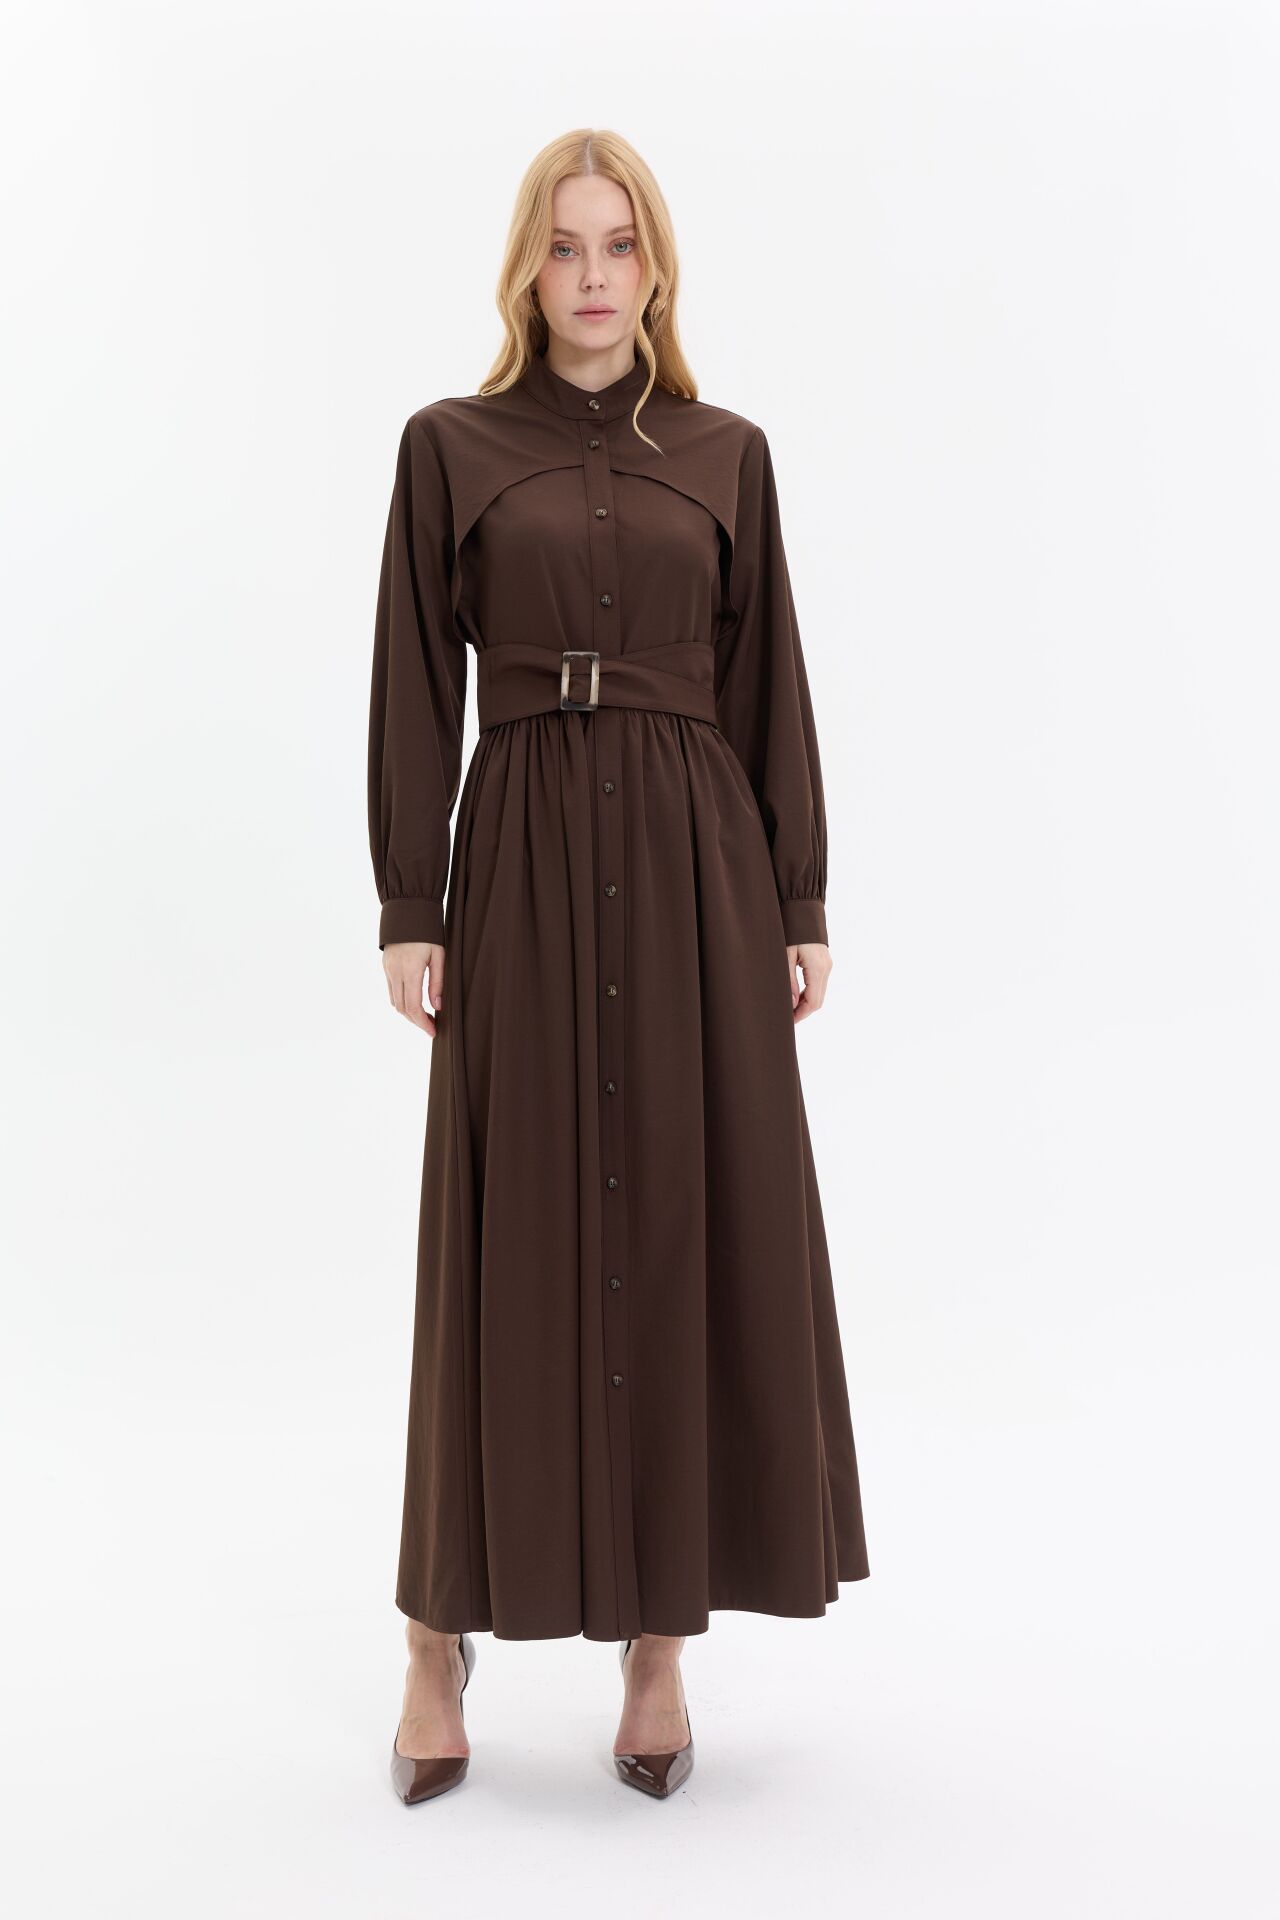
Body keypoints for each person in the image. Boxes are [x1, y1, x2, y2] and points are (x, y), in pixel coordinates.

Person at [368, 128, 870, 1805]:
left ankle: (660, 1645)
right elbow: (411, 682)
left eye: (621, 246)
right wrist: (411, 901)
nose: (594, 276)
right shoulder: (450, 447)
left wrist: (796, 897)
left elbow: (769, 672)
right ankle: (435, 1636)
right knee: (498, 1231)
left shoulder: (727, 454)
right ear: (529, 267)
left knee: (678, 1223)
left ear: (657, 269)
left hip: (692, 868)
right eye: (567, 246)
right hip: (516, 859)